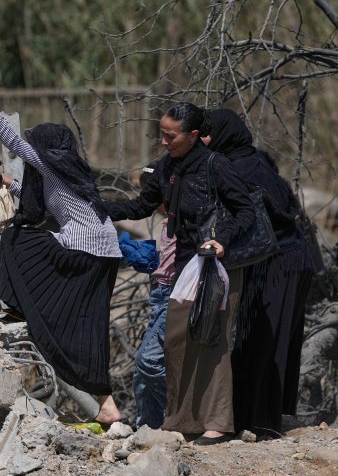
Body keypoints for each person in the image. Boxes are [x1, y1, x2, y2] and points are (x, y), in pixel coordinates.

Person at [0, 72, 126, 425]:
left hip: (84, 254)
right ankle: (107, 405)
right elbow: (54, 205)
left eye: (36, 146)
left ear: (47, 150)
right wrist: (15, 186)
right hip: (104, 255)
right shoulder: (71, 171)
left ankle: (12, 303)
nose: (31, 151)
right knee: (85, 324)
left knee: (16, 237)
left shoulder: (50, 164)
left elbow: (12, 140)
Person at [105, 103, 255, 444]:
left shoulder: (217, 166)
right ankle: (166, 427)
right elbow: (141, 205)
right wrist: (98, 205)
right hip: (176, 278)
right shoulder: (166, 167)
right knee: (169, 354)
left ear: (194, 136)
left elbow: (245, 212)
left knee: (167, 355)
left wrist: (222, 240)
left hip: (207, 274)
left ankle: (183, 427)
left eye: (170, 136)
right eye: (162, 134)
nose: (163, 142)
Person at [202, 109, 313, 436]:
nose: (203, 140)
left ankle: (263, 422)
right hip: (276, 260)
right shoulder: (248, 160)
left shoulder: (243, 167)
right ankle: (252, 416)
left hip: (280, 261)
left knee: (268, 339)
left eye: (207, 133)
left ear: (223, 134)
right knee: (257, 337)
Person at [133, 214, 176, 429]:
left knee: (148, 360)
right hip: (159, 291)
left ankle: (178, 415)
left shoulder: (194, 210)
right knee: (140, 372)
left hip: (175, 294)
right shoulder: (172, 217)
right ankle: (148, 428)